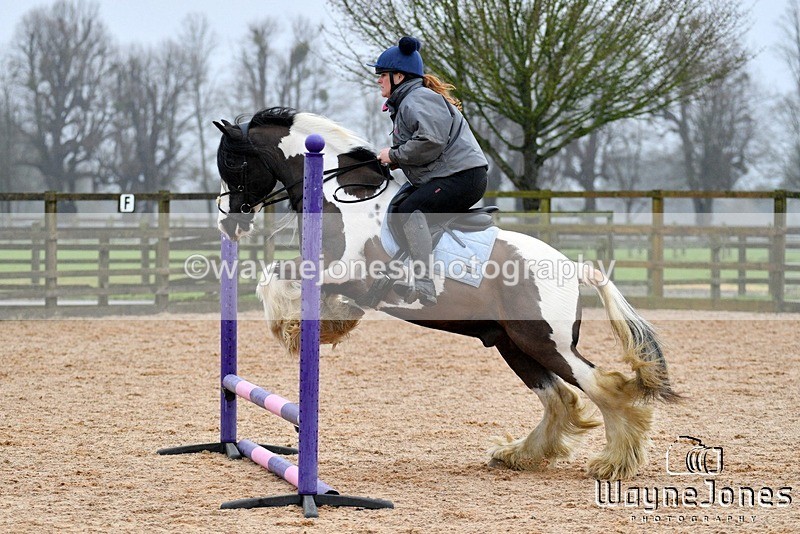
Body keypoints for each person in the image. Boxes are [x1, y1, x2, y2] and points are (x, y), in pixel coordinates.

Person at [368, 36, 489, 306]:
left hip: (462, 177)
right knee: (400, 204)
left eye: (382, 75)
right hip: (452, 174)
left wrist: (395, 155)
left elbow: (430, 141)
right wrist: (392, 159)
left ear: (398, 76)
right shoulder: (410, 101)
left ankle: (423, 282)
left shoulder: (417, 99)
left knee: (411, 209)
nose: (378, 80)